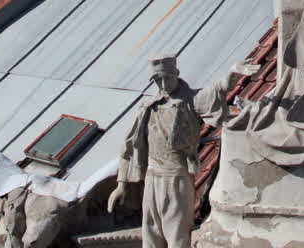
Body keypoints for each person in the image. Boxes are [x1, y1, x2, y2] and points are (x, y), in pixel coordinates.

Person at [107, 54, 251, 248]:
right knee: (151, 231)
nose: (163, 83)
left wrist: (232, 74)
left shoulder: (191, 100)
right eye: (158, 79)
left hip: (176, 176)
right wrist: (121, 184)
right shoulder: (148, 107)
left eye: (167, 77)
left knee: (176, 231)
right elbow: (130, 146)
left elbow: (216, 91)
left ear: (176, 74)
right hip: (151, 176)